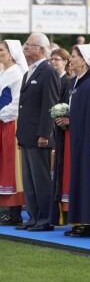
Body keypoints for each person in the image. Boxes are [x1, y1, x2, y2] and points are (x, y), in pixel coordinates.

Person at [16, 33, 60, 231]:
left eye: (29, 45)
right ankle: (33, 217)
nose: (25, 48)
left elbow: (49, 104)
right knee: (29, 179)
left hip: (39, 135)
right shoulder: (29, 72)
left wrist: (45, 133)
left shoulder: (48, 71)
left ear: (41, 49)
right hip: (27, 134)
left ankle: (45, 219)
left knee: (41, 179)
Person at [63, 44, 90, 237]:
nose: (70, 60)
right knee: (79, 178)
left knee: (88, 179)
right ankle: (79, 220)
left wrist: (71, 120)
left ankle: (88, 222)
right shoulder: (76, 82)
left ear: (84, 60)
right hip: (77, 137)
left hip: (88, 139)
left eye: (74, 56)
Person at [0, 40, 28, 226]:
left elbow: (17, 104)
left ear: (11, 53)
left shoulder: (17, 74)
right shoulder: (4, 73)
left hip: (11, 124)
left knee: (12, 167)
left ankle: (15, 211)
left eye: (1, 50)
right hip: (3, 123)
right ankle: (7, 209)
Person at [49, 48, 72, 225]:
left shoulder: (68, 81)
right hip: (56, 130)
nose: (53, 62)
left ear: (65, 61)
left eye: (57, 59)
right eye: (52, 59)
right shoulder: (54, 79)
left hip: (64, 132)